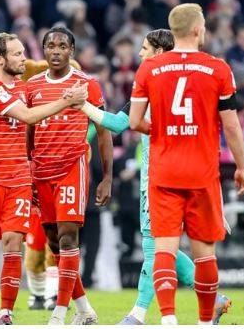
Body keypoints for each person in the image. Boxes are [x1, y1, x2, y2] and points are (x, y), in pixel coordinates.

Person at [77, 28, 232, 324]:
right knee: (164, 250)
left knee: (155, 248)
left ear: (160, 52)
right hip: (182, 176)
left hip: (161, 180)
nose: (140, 53)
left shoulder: (150, 85)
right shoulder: (183, 85)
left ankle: (137, 315)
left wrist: (81, 104)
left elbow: (118, 124)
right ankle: (215, 301)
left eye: (145, 48)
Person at [129, 3, 244, 325]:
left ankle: (168, 320)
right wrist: (241, 166)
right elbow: (232, 125)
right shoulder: (218, 68)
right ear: (198, 29)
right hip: (202, 173)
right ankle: (204, 321)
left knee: (164, 251)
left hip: (164, 171)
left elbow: (134, 120)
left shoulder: (149, 69)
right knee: (204, 253)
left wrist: (163, 130)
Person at [0, 33, 87, 324]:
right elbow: (29, 117)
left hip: (19, 179)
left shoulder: (23, 87)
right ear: (0, 59)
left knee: (13, 243)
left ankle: (6, 312)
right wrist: (67, 100)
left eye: (23, 53)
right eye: (18, 54)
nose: (24, 58)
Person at [26, 26, 113, 325]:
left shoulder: (87, 84)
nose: (56, 50)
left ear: (71, 51)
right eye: (50, 45)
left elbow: (104, 132)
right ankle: (85, 310)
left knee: (67, 238)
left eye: (62, 45)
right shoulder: (33, 86)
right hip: (41, 170)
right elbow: (29, 128)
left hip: (71, 167)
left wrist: (107, 177)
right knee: (53, 242)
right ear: (44, 50)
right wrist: (28, 164)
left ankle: (58, 315)